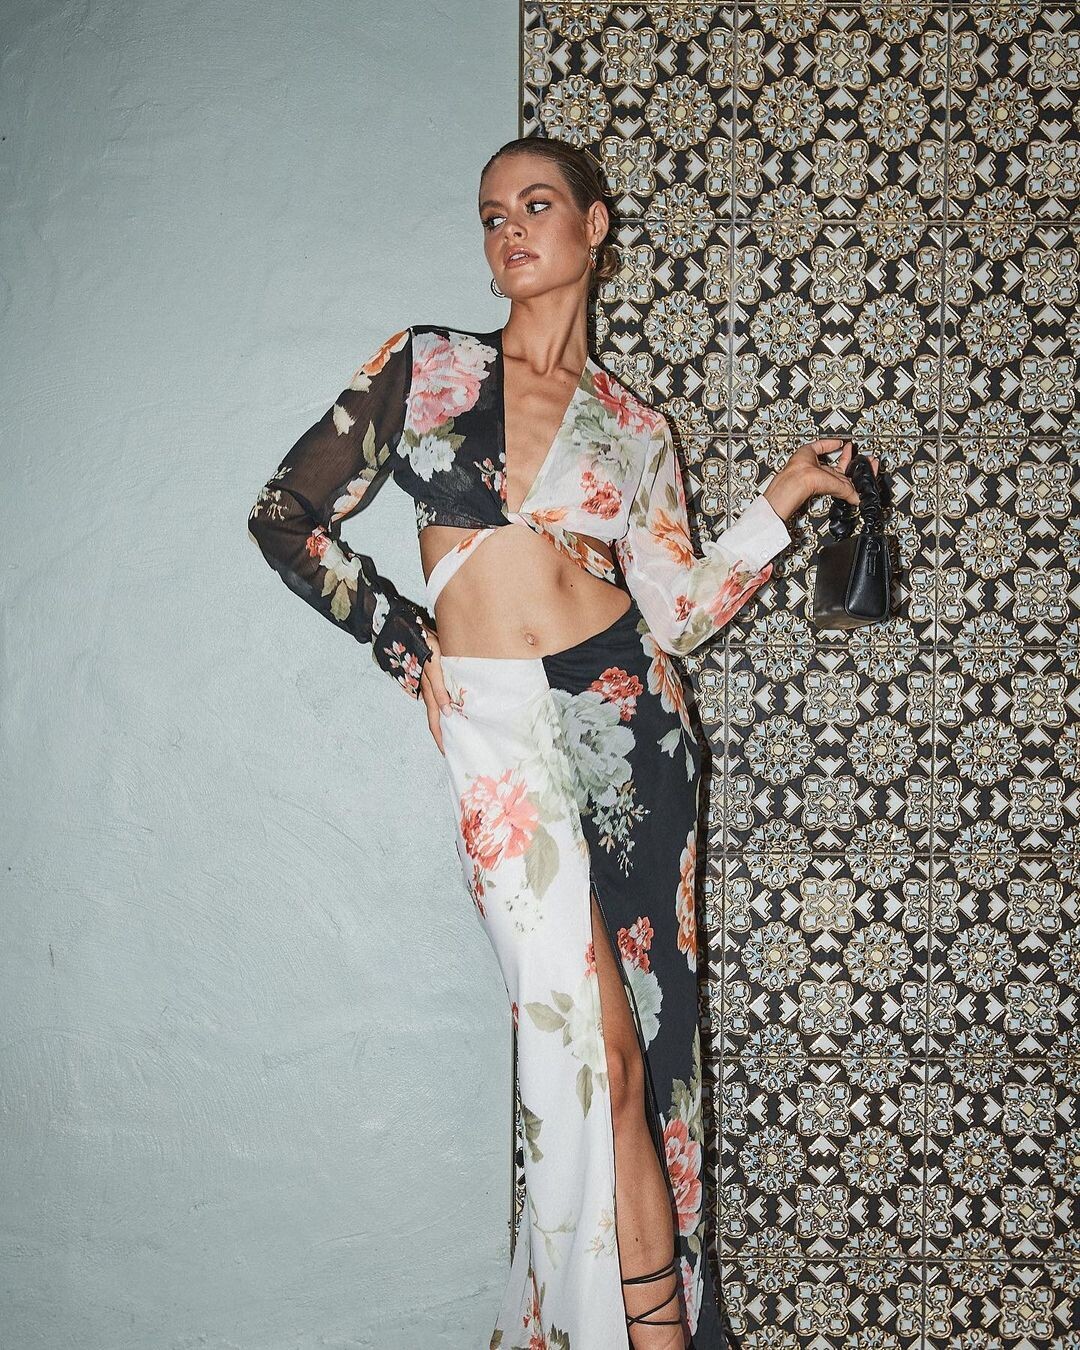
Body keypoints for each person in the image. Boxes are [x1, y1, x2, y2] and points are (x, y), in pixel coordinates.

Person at [247, 135, 878, 1349]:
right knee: (577, 1053)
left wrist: (781, 500)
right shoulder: (428, 366)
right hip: (496, 728)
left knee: (643, 1061)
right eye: (491, 216)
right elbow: (285, 517)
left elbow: (678, 612)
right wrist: (406, 643)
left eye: (537, 206)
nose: (510, 232)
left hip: (629, 720)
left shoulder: (635, 427)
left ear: (595, 227)